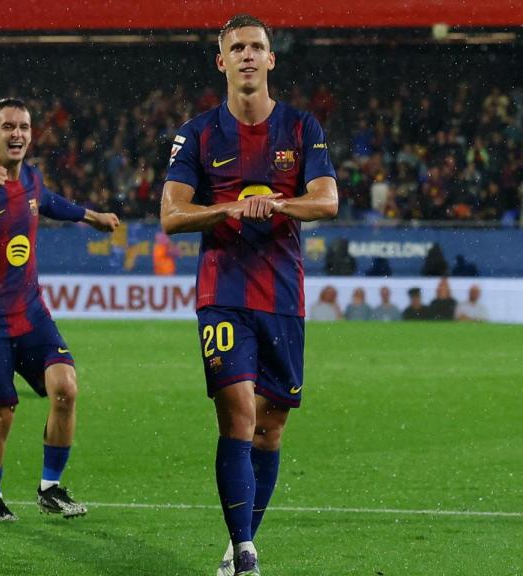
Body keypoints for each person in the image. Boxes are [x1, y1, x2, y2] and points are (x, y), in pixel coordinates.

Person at [159, 14, 338, 576]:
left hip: (283, 293)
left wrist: (279, 204)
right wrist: (229, 209)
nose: (247, 56)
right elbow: (171, 215)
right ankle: (244, 551)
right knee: (237, 413)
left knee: (272, 423)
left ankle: (239, 543)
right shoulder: (199, 133)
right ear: (221, 62)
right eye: (236, 48)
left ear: (271, 58)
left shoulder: (302, 128)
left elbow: (328, 201)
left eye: (256, 47)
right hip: (224, 289)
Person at [0, 97, 120, 523]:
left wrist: (91, 216)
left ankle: (50, 487)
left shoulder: (33, 179)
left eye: (24, 127)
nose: (17, 134)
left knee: (66, 388)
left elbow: (51, 201)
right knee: (1, 416)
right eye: (8, 127)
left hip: (31, 312)